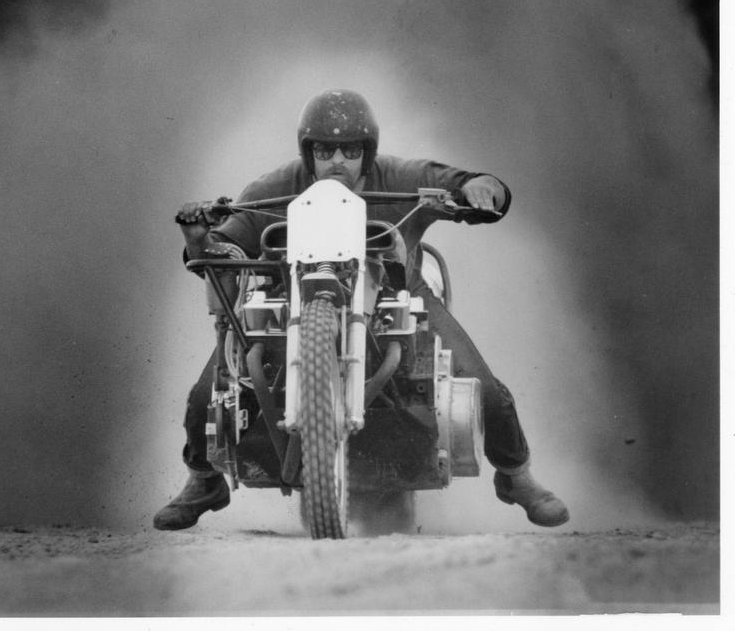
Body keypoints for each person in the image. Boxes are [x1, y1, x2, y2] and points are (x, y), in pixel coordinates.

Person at [154, 89, 569, 531]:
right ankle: (203, 479)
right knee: (207, 395)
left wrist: (480, 188)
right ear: (307, 152)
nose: (337, 161)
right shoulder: (271, 189)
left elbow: (460, 182)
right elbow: (226, 248)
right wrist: (199, 239)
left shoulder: (400, 176)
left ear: (366, 153)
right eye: (324, 150)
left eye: (350, 151)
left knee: (485, 389)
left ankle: (515, 475)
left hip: (398, 296)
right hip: (291, 300)